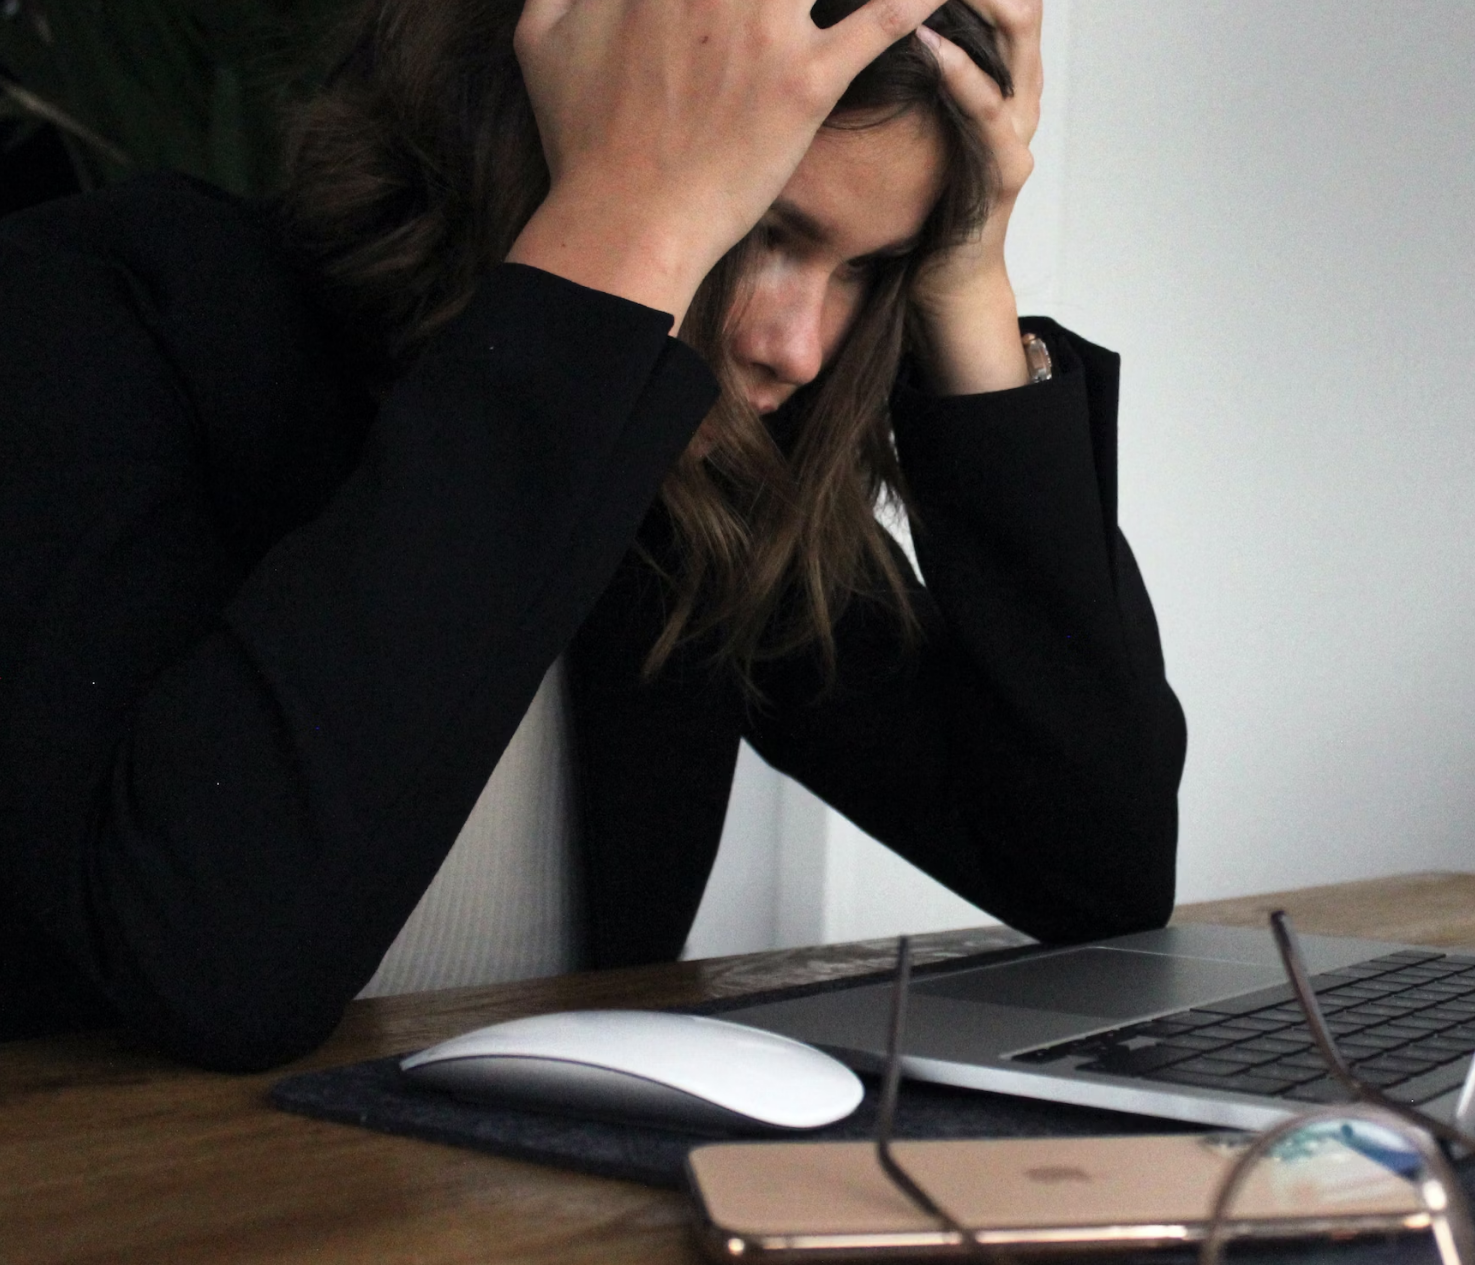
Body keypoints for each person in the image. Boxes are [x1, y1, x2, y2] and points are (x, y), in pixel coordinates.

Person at [0, 0, 1185, 1071]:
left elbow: (1094, 870)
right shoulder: (97, 313)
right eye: (763, 226)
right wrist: (626, 229)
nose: (796, 347)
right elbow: (212, 971)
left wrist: (966, 277)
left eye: (867, 269)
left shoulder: (691, 477)